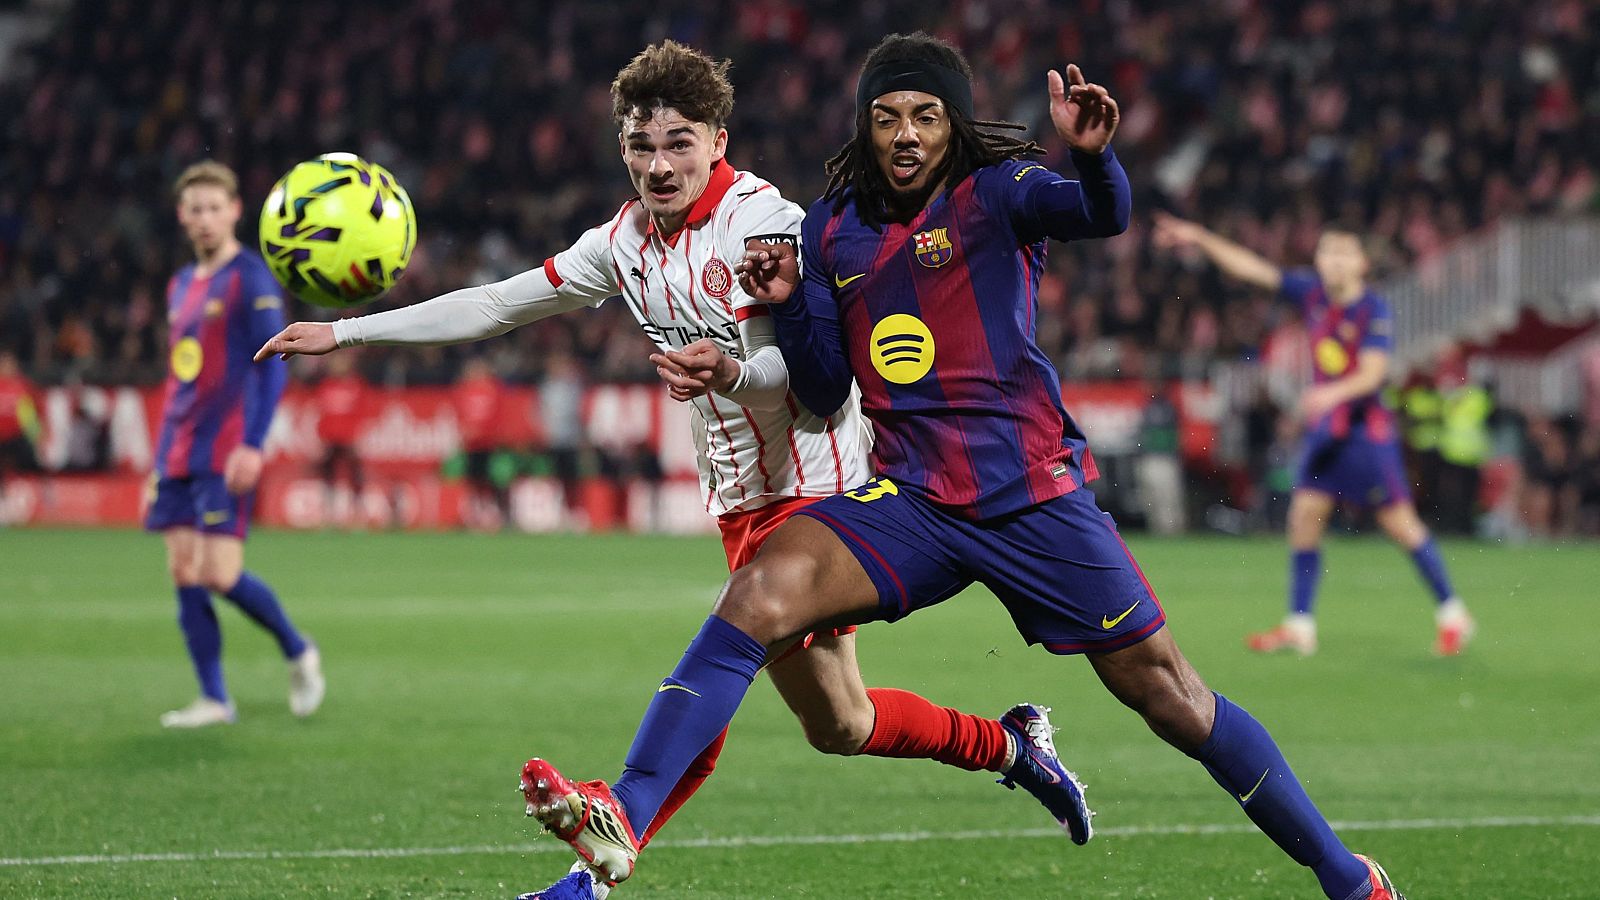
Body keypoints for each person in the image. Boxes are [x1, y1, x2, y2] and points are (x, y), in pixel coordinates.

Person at [517, 33, 1403, 900]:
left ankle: (1346, 876)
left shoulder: (1001, 191)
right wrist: (789, 306)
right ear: (865, 127)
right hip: (913, 503)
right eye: (888, 117)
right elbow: (825, 393)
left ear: (956, 126)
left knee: (1171, 697)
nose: (905, 134)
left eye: (926, 117)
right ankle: (620, 815)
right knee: (755, 597)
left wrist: (1094, 160)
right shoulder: (831, 230)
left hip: (1032, 499)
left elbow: (1102, 213)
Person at [256, 41, 1088, 900]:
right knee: (840, 721)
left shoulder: (763, 220)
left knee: (732, 643)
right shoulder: (622, 243)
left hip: (820, 485)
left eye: (679, 143)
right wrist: (348, 331)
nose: (659, 164)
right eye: (641, 145)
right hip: (740, 495)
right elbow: (499, 303)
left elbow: (796, 371)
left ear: (717, 141)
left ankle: (608, 838)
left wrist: (728, 372)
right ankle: (1015, 744)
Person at [1153, 212, 1475, 658]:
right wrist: (1200, 236)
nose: (1334, 261)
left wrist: (1330, 395)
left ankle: (1453, 612)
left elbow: (1374, 374)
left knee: (1399, 525)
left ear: (1362, 262)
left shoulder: (1373, 309)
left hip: (1365, 433)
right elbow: (1252, 268)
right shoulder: (1313, 293)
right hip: (1328, 431)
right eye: (1327, 251)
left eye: (1344, 252)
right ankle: (1300, 625)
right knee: (1304, 517)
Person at [147, 161, 324, 728]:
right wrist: (159, 454)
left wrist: (252, 442)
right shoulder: (179, 284)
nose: (203, 218)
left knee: (219, 572)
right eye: (194, 209)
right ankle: (214, 698)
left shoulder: (250, 277)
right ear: (182, 215)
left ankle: (299, 650)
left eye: (213, 208)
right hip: (178, 446)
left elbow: (275, 364)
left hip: (224, 447)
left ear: (233, 211)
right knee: (183, 569)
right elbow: (181, 376)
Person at [311, 350, 368, 524]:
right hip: (330, 439)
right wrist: (320, 438)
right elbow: (321, 414)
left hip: (349, 439)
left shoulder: (356, 385)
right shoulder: (325, 386)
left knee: (355, 476)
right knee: (328, 476)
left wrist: (358, 437)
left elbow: (362, 413)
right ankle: (328, 515)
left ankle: (358, 514)